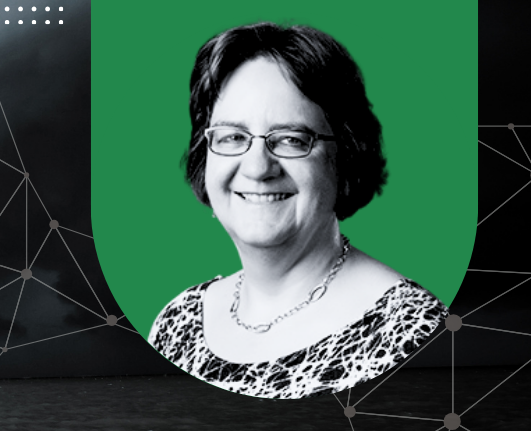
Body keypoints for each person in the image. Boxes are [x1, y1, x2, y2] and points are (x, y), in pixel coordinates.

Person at [147, 22, 446, 399]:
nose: (257, 168)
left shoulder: (411, 328)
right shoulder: (178, 322)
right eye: (233, 137)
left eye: (290, 139)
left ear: (346, 155)